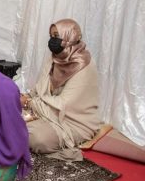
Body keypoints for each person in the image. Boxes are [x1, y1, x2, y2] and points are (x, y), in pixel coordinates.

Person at [22, 19, 101, 161]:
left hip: (70, 121)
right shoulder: (55, 58)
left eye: (57, 36)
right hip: (45, 112)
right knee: (6, 110)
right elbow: (40, 88)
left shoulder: (84, 67)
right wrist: (26, 96)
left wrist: (29, 103)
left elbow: (63, 106)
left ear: (69, 37)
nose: (53, 41)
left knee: (37, 138)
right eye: (51, 36)